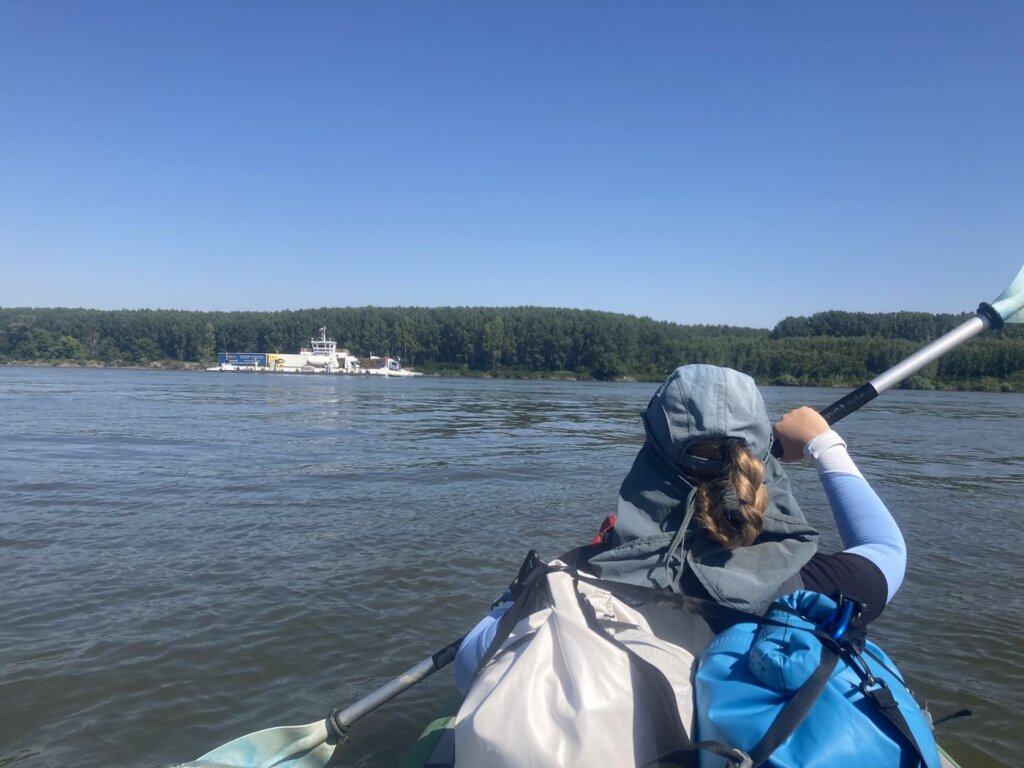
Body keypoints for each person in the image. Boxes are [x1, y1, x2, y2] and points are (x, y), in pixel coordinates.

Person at [454, 364, 906, 693]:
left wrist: (519, 595)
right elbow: (885, 547)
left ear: (650, 452)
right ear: (761, 462)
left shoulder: (570, 581)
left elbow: (470, 661)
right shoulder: (815, 590)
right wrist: (822, 444)